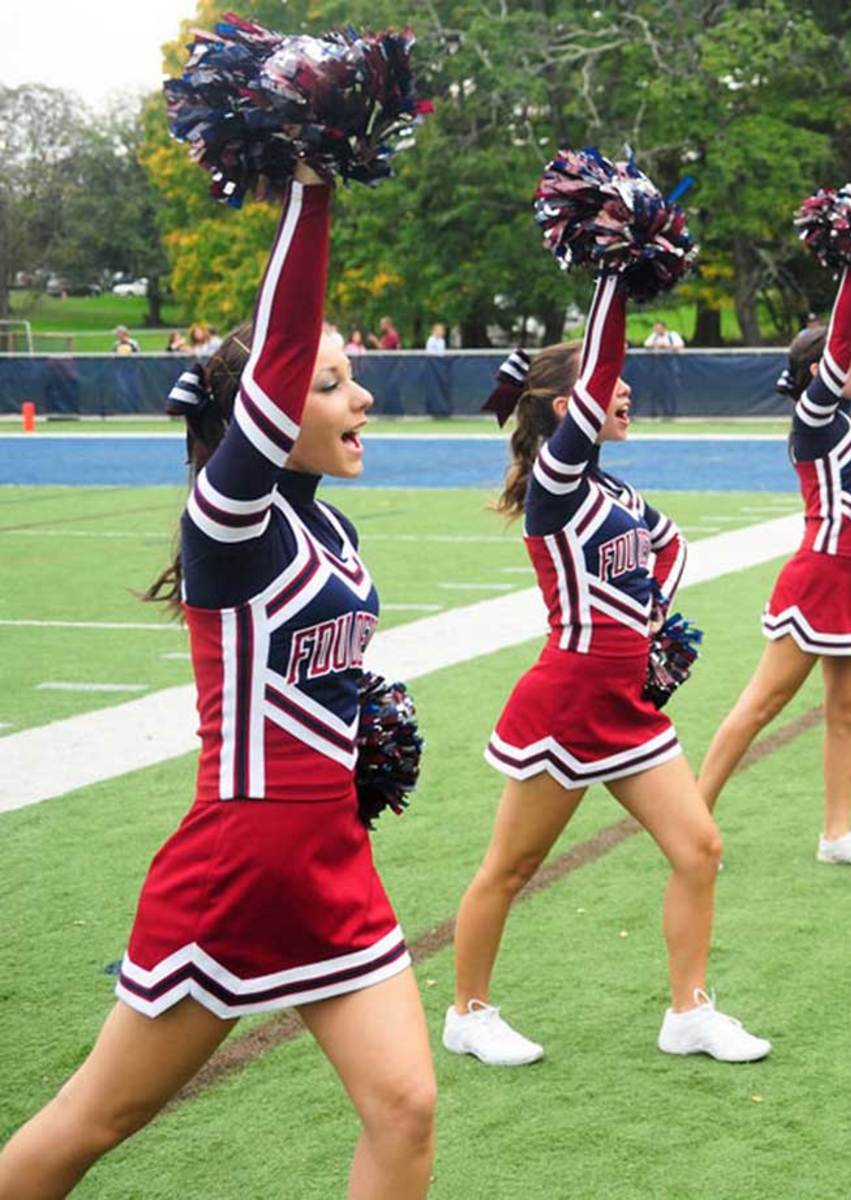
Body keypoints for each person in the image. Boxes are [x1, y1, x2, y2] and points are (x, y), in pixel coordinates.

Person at [0, 164, 436, 1199]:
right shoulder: (227, 526)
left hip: (331, 859)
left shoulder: (326, 522)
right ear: (266, 412)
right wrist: (313, 194)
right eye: (332, 383)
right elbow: (281, 354)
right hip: (237, 866)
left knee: (406, 1108)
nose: (359, 396)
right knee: (95, 1120)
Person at [443, 273, 771, 1069]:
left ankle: (688, 1012)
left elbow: (672, 544)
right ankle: (467, 1013)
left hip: (627, 703)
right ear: (568, 410)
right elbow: (599, 376)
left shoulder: (612, 488)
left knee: (699, 849)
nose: (624, 392)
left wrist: (651, 612)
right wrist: (614, 272)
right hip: (565, 704)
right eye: (610, 385)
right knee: (511, 867)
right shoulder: (556, 486)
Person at [697, 261, 851, 869]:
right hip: (818, 580)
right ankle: (692, 819)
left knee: (847, 710)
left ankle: (837, 835)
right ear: (821, 373)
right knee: (761, 704)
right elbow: (842, 339)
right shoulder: (814, 422)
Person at [643, 320, 683, 418]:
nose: (657, 330)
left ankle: (672, 411)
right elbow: (646, 344)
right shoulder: (654, 336)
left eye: (659, 328)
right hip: (657, 364)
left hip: (669, 364)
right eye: (655, 328)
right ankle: (655, 411)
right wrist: (655, 346)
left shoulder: (672, 335)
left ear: (664, 328)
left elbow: (680, 346)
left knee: (671, 388)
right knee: (656, 388)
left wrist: (667, 346)